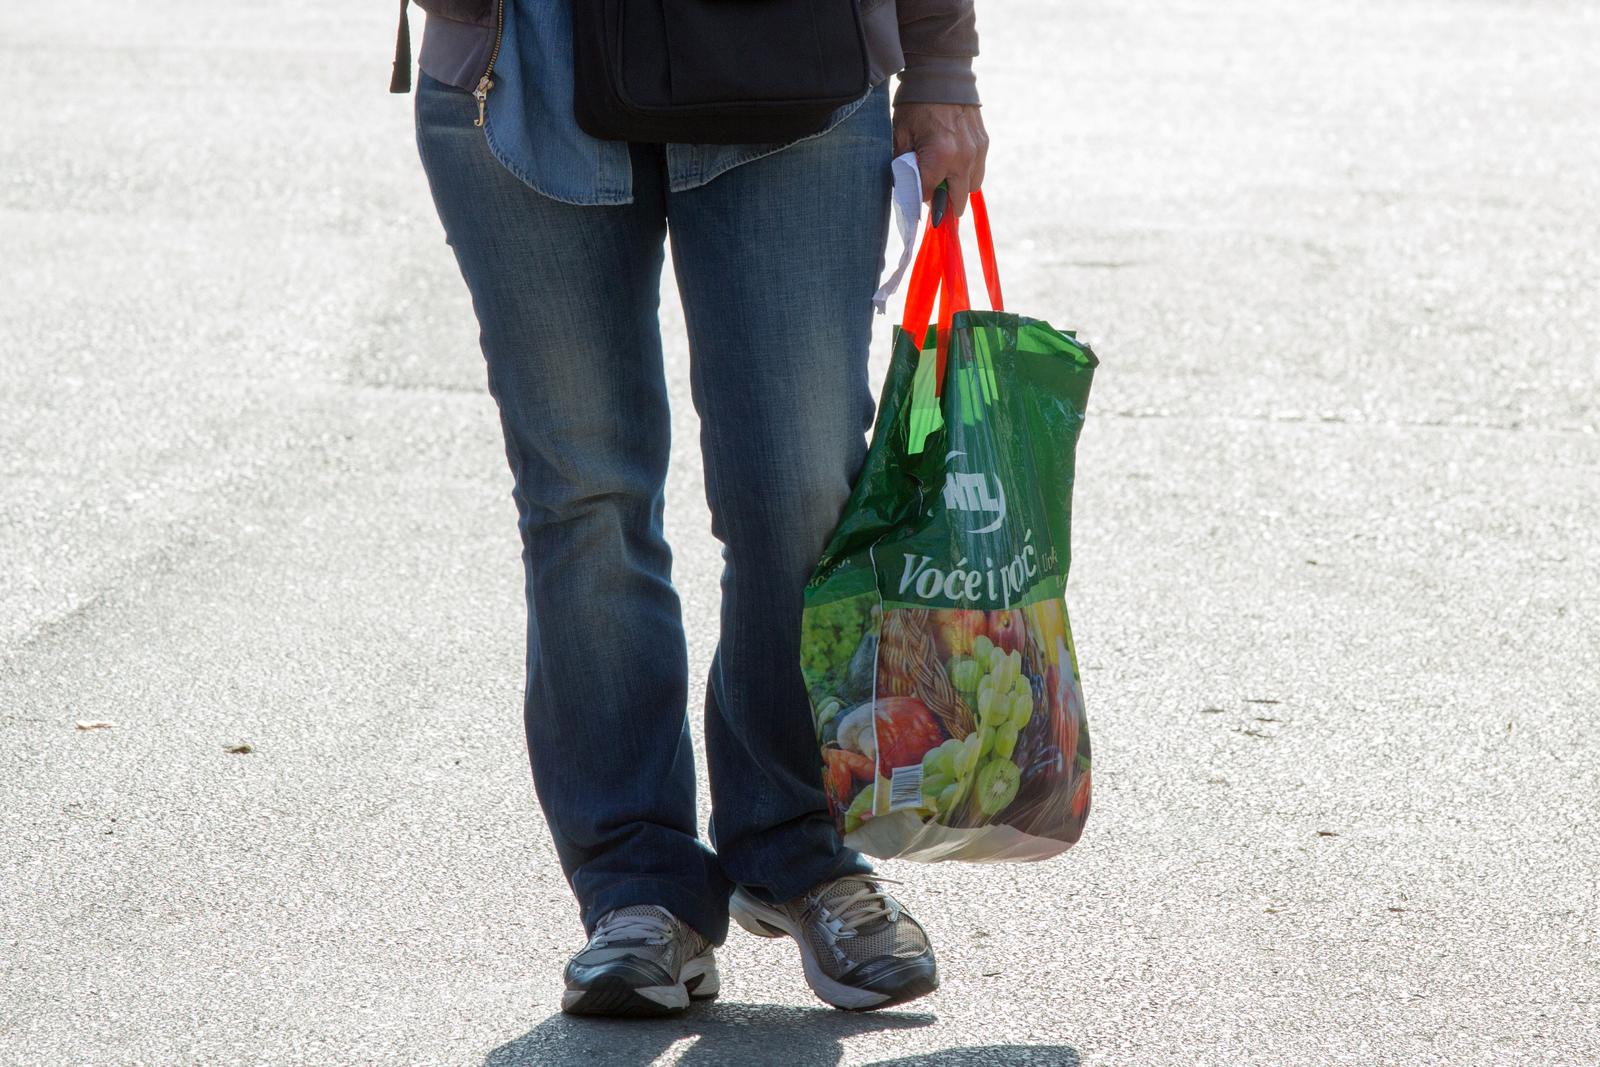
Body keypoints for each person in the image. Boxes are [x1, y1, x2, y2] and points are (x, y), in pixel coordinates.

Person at [400, 0, 987, 1017]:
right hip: (521, 72)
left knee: (802, 487)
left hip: (797, 65)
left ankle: (800, 848)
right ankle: (638, 886)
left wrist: (941, 63)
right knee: (584, 500)